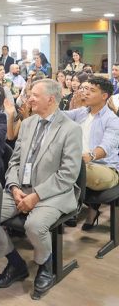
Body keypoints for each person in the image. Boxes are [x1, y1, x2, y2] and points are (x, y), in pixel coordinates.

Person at [0, 79, 82, 299]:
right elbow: (15, 161)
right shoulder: (28, 123)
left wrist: (37, 195)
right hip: (21, 188)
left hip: (54, 193)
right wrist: (13, 187)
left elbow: (68, 175)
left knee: (34, 225)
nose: (29, 99)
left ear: (51, 99)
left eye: (34, 95)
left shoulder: (71, 129)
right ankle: (15, 263)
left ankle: (45, 265)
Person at [65, 76, 119, 230]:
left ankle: (70, 208)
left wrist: (90, 156)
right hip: (80, 164)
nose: (86, 93)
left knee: (72, 167)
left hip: (106, 169)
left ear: (104, 96)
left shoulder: (112, 119)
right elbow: (58, 116)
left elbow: (106, 146)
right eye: (86, 89)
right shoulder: (81, 112)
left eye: (92, 90)